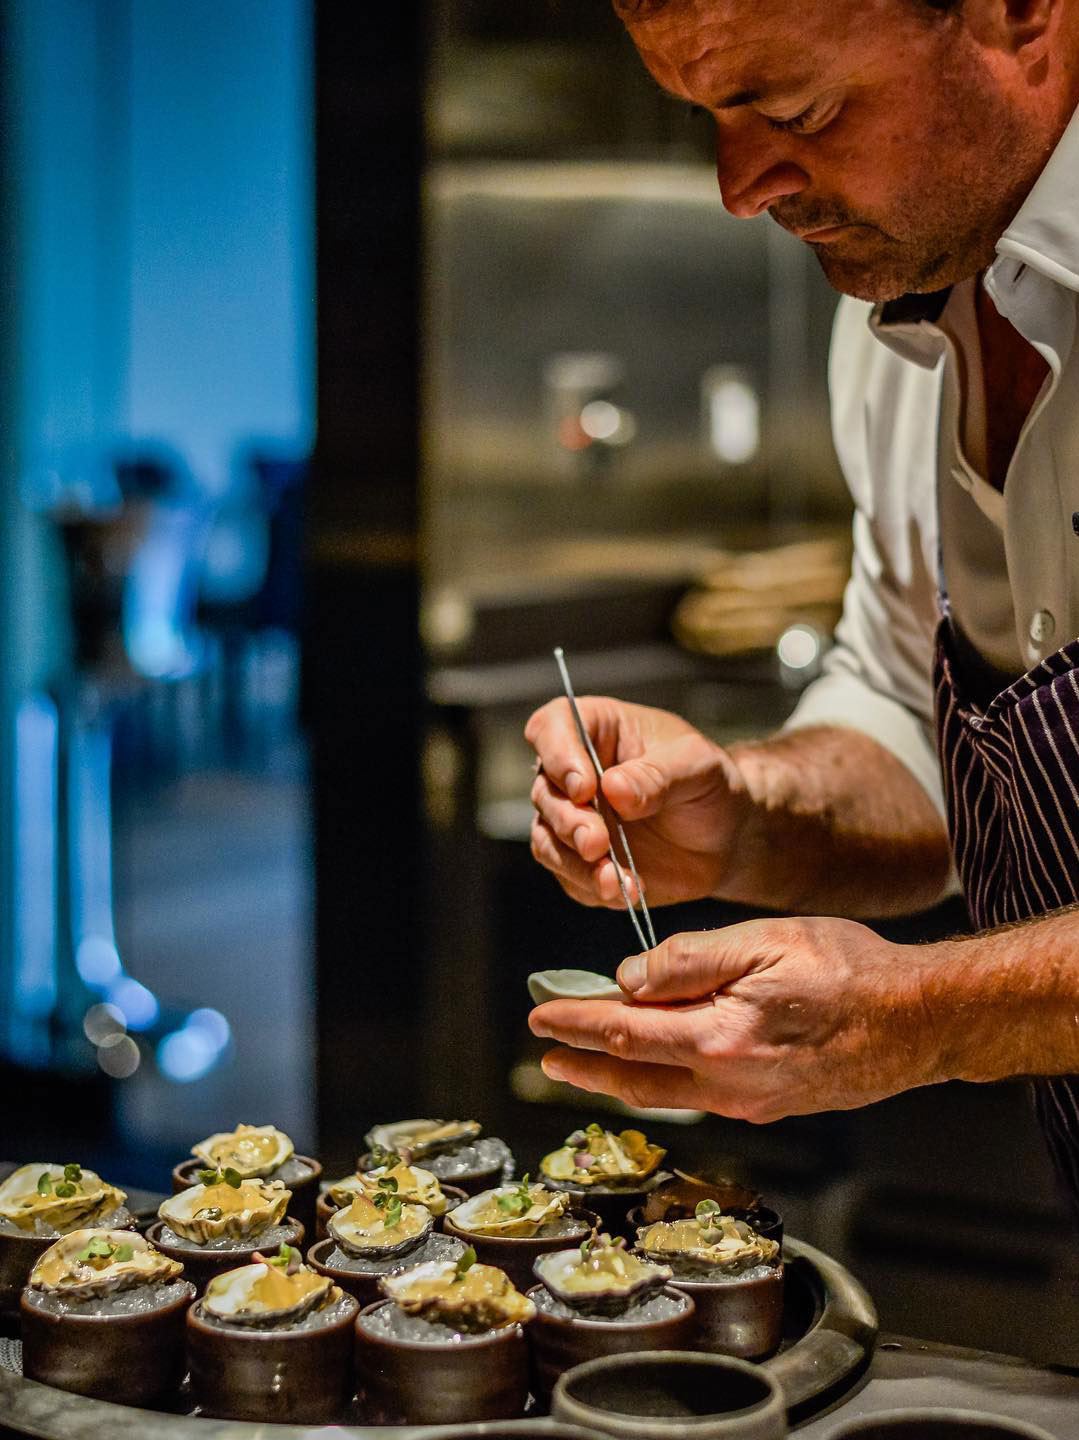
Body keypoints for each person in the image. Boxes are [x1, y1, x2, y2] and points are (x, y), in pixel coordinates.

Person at [524, 0, 1079, 1216]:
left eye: (797, 111)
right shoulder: (893, 316)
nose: (738, 187)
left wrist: (923, 1015)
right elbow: (917, 735)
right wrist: (741, 814)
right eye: (711, 117)